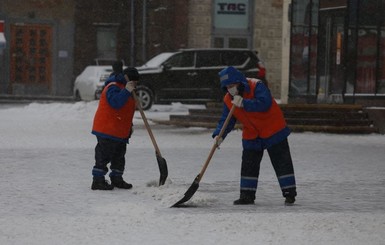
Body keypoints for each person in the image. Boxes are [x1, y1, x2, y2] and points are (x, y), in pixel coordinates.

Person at [212, 66, 297, 205]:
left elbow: (265, 103)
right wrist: (219, 135)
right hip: (252, 133)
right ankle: (246, 195)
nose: (230, 89)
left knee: (282, 162)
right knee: (248, 164)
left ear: (239, 82)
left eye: (232, 85)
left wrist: (244, 103)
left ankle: (289, 193)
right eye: (227, 87)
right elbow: (226, 119)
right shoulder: (228, 99)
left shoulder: (256, 85)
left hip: (273, 129)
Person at [90, 66, 139, 190]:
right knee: (104, 155)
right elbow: (115, 103)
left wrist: (130, 126)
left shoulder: (127, 89)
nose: (136, 85)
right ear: (129, 80)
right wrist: (127, 91)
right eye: (135, 82)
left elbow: (126, 111)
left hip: (119, 130)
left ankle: (117, 178)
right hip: (107, 129)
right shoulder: (113, 87)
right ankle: (98, 180)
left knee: (119, 156)